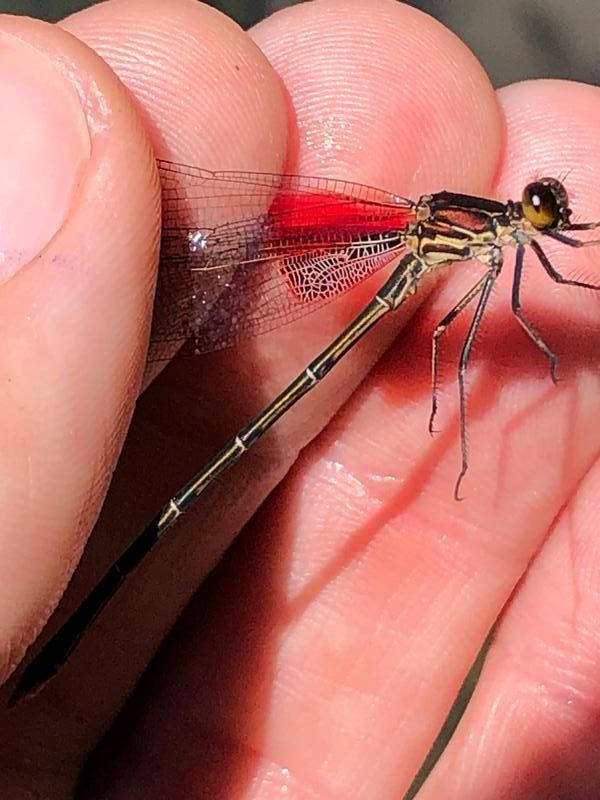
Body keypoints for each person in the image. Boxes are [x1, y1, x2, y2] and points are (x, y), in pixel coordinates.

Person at [1, 0, 599, 797]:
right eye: (537, 212)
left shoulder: (505, 240)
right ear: (518, 216)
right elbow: (483, 324)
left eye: (543, 213)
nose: (542, 222)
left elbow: (540, 283)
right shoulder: (488, 244)